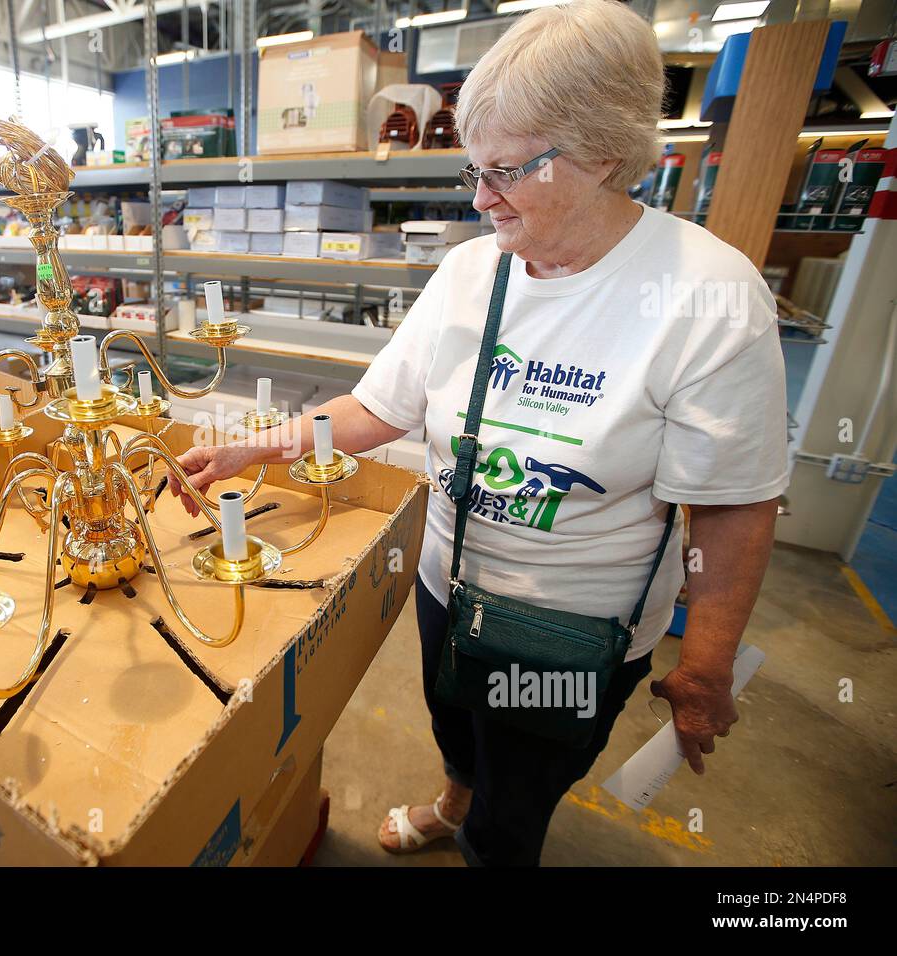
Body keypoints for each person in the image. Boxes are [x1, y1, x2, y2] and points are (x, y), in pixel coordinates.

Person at [166, 0, 788, 866]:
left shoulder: (707, 295)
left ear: (605, 152)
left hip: (574, 625)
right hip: (449, 579)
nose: (482, 197)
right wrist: (252, 442)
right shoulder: (470, 272)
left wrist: (708, 662)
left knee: (520, 794)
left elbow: (731, 507)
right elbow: (378, 410)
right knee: (454, 718)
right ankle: (452, 797)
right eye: (472, 170)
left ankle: (486, 835)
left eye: (505, 170)